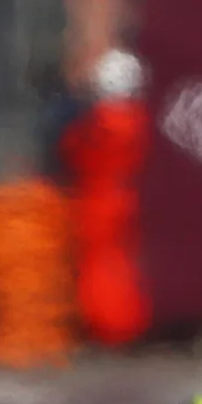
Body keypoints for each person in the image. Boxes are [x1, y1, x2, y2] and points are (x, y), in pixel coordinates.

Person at [60, 49, 151, 349]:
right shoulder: (143, 121)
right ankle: (126, 324)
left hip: (98, 203)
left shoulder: (97, 125)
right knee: (127, 267)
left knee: (99, 267)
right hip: (130, 202)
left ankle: (107, 326)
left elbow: (73, 152)